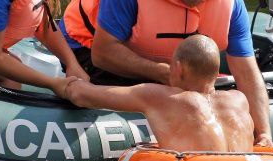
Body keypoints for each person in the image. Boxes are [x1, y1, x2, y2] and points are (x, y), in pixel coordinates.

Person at [60, 0, 273, 146]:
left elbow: (247, 71)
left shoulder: (231, 3)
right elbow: (102, 54)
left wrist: (264, 134)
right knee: (155, 96)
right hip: (90, 48)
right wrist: (161, 73)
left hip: (173, 68)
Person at [65, 35, 254, 152]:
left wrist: (71, 78)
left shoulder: (161, 98)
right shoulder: (239, 100)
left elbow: (80, 95)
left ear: (178, 68)